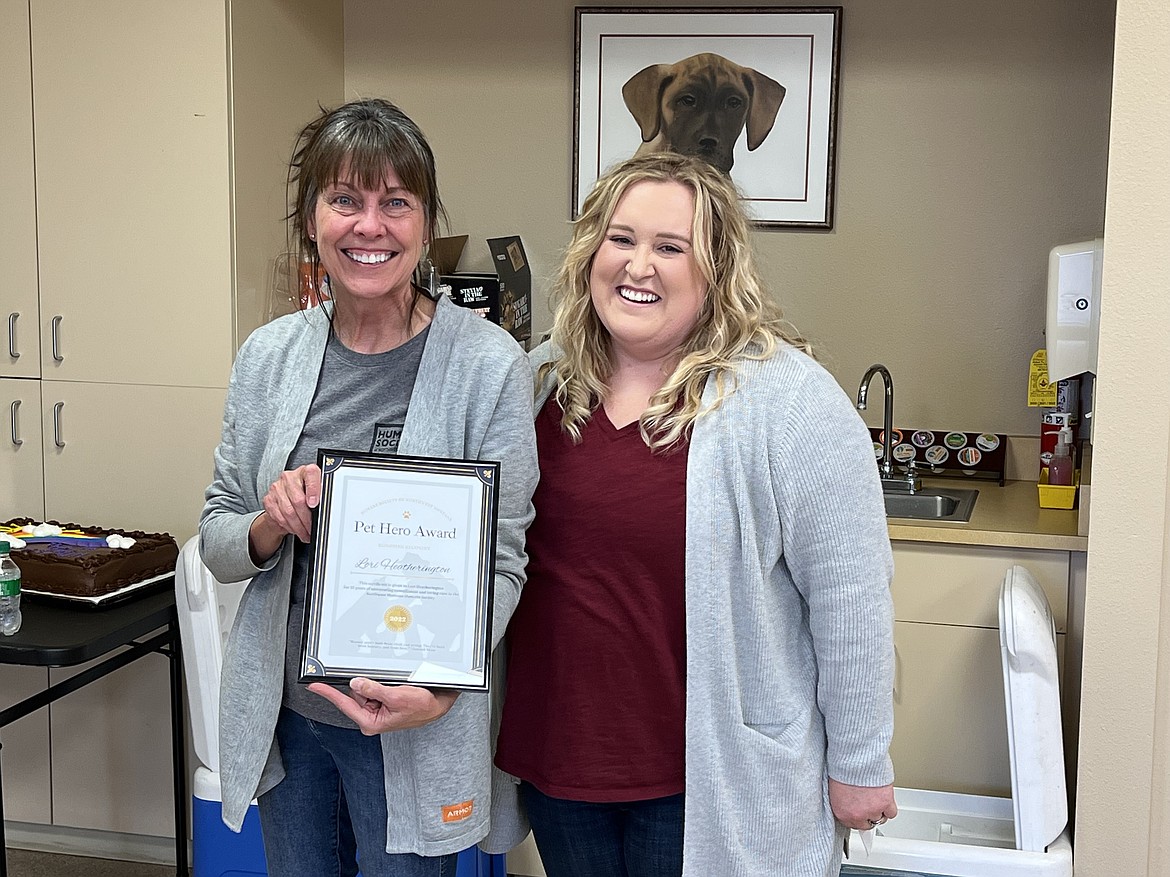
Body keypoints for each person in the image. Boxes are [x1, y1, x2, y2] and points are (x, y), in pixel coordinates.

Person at [493, 152, 896, 877]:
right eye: (620, 239)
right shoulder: (538, 383)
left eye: (670, 247)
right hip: (561, 763)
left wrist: (861, 759)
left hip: (705, 776)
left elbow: (851, 594)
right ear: (590, 252)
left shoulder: (787, 401)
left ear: (716, 270)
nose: (638, 265)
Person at [199, 98, 537, 877]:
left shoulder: (487, 366)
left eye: (395, 202)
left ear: (425, 223)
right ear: (311, 217)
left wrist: (442, 686)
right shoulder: (267, 356)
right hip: (292, 718)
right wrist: (269, 523)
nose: (369, 225)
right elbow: (218, 532)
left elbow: (505, 562)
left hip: (412, 725)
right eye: (345, 199)